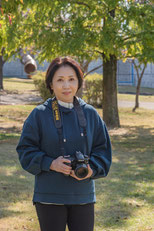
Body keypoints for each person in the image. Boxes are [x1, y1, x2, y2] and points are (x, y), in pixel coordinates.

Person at [16, 56, 112, 231]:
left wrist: (92, 168)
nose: (66, 86)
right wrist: (51, 163)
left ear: (78, 82)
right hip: (49, 196)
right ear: (51, 84)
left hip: (83, 197)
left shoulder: (90, 114)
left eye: (71, 79)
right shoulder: (39, 114)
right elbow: (25, 150)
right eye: (60, 80)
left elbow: (103, 150)